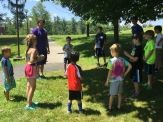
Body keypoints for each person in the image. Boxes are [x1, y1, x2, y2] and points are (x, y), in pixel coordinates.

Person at [105, 44, 132, 111]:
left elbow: (110, 72)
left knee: (112, 95)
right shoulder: (122, 59)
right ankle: (119, 107)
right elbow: (130, 66)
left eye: (111, 51)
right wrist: (125, 74)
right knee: (120, 94)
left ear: (114, 52)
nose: (110, 52)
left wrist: (107, 81)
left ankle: (110, 107)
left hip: (114, 81)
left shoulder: (111, 61)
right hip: (121, 80)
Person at [24, 34, 45, 110]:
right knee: (33, 87)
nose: (37, 41)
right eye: (36, 40)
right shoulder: (33, 50)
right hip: (32, 68)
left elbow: (27, 60)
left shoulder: (28, 49)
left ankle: (29, 101)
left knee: (28, 86)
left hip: (27, 67)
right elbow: (32, 60)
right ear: (34, 41)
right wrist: (40, 58)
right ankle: (29, 105)